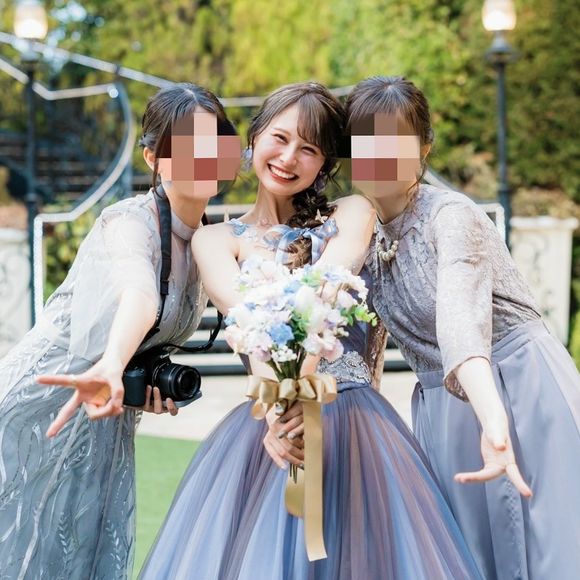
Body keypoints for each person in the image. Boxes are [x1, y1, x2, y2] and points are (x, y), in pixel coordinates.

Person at [133, 81, 482, 579]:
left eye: (309, 148)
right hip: (271, 428)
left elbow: (326, 293)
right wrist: (279, 409)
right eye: (279, 138)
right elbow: (248, 323)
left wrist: (294, 388)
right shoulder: (215, 240)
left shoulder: (353, 213)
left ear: (324, 164)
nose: (289, 157)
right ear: (253, 138)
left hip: (355, 423)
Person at [341, 75, 580, 580]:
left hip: (516, 387)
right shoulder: (360, 235)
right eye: (366, 141)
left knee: (551, 547)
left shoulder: (450, 216)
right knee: (467, 556)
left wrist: (493, 420)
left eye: (395, 140)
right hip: (442, 410)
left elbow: (460, 320)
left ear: (424, 148)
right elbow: (368, 352)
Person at [0, 82, 240, 579]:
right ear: (154, 158)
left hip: (105, 415)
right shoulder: (129, 223)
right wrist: (112, 364)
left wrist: (134, 381)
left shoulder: (211, 240)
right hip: (42, 404)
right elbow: (140, 292)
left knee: (78, 556)